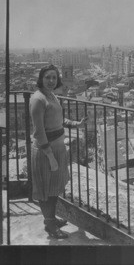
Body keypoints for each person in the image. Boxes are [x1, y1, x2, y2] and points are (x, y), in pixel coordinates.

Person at [30, 65, 87, 239]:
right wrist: (50, 157)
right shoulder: (38, 99)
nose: (51, 81)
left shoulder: (51, 95)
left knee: (54, 188)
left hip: (58, 148)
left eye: (54, 78)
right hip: (46, 151)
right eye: (47, 77)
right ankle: (50, 226)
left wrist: (76, 124)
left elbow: (60, 120)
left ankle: (52, 219)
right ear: (41, 78)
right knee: (46, 191)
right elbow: (39, 132)